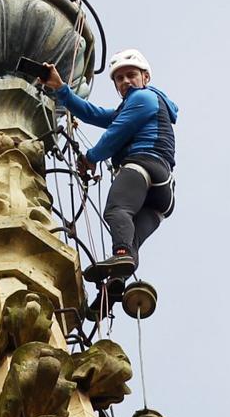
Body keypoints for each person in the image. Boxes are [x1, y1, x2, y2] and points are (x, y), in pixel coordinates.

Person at [42, 49, 179, 284]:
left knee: (116, 211)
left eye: (131, 75)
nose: (126, 81)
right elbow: (92, 113)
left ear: (145, 77)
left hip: (144, 167)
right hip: (162, 197)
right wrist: (61, 89)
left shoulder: (143, 98)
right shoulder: (134, 105)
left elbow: (115, 134)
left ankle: (122, 257)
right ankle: (116, 283)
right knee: (131, 239)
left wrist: (91, 158)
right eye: (120, 78)